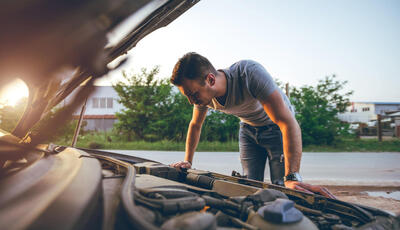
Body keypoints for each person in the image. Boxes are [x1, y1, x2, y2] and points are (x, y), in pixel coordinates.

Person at [170, 52, 335, 199]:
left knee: (283, 188)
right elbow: (195, 125)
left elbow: (287, 123)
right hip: (247, 129)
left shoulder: (249, 73)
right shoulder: (203, 95)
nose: (191, 101)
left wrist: (292, 177)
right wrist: (187, 161)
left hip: (276, 128)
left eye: (192, 95)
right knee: (249, 186)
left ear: (211, 80)